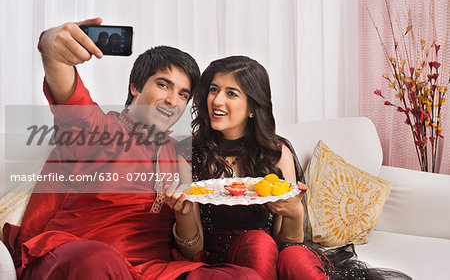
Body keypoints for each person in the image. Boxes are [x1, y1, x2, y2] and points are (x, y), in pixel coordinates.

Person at [3, 19, 263, 280]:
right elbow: (66, 85)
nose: (172, 101)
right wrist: (51, 44)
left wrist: (184, 215)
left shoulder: (180, 154)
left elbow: (190, 249)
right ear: (135, 87)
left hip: (152, 271)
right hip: (80, 260)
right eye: (163, 85)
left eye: (183, 95)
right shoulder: (97, 129)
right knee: (99, 260)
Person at [165, 56, 413, 280]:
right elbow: (192, 251)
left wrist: (294, 212)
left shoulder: (276, 152)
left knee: (295, 258)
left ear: (253, 106)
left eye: (231, 93)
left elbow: (288, 242)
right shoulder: (188, 153)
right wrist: (183, 214)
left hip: (277, 256)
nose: (217, 100)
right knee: (259, 242)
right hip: (220, 262)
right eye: (213, 90)